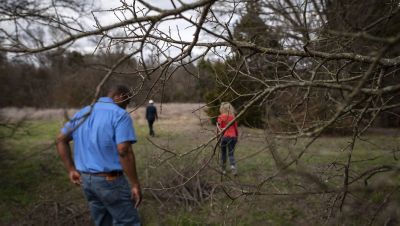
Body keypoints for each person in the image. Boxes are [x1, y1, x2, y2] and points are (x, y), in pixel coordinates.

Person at [56, 84, 142, 226]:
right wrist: (135, 184)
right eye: (127, 101)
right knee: (128, 222)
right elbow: (124, 151)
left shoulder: (82, 113)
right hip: (110, 181)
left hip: (87, 182)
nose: (127, 106)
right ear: (119, 96)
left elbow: (60, 139)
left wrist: (71, 169)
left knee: (102, 222)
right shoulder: (120, 115)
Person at [216, 102, 239, 176]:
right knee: (231, 153)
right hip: (233, 137)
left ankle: (223, 170)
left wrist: (217, 137)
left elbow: (219, 128)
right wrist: (236, 137)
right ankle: (233, 167)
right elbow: (236, 128)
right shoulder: (233, 117)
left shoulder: (220, 117)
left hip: (224, 137)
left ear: (222, 109)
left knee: (223, 153)